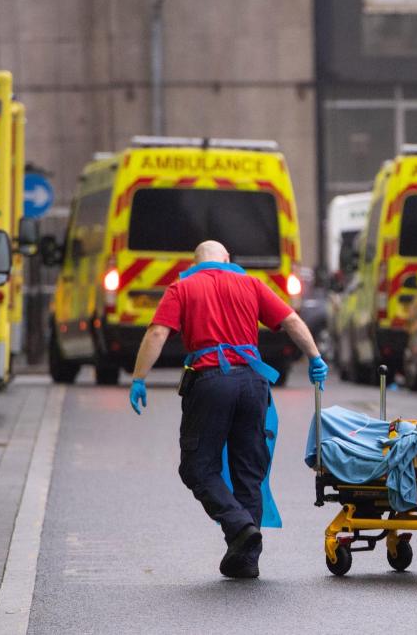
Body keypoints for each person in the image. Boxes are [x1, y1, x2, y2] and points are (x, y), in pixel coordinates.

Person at [129, 240, 328, 579]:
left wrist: (139, 378)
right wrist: (315, 357)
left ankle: (239, 529)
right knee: (248, 470)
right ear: (227, 260)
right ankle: (245, 557)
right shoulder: (251, 283)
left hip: (211, 381)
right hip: (253, 383)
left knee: (197, 466)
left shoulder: (182, 286)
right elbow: (292, 319)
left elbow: (158, 331)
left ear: (195, 262)